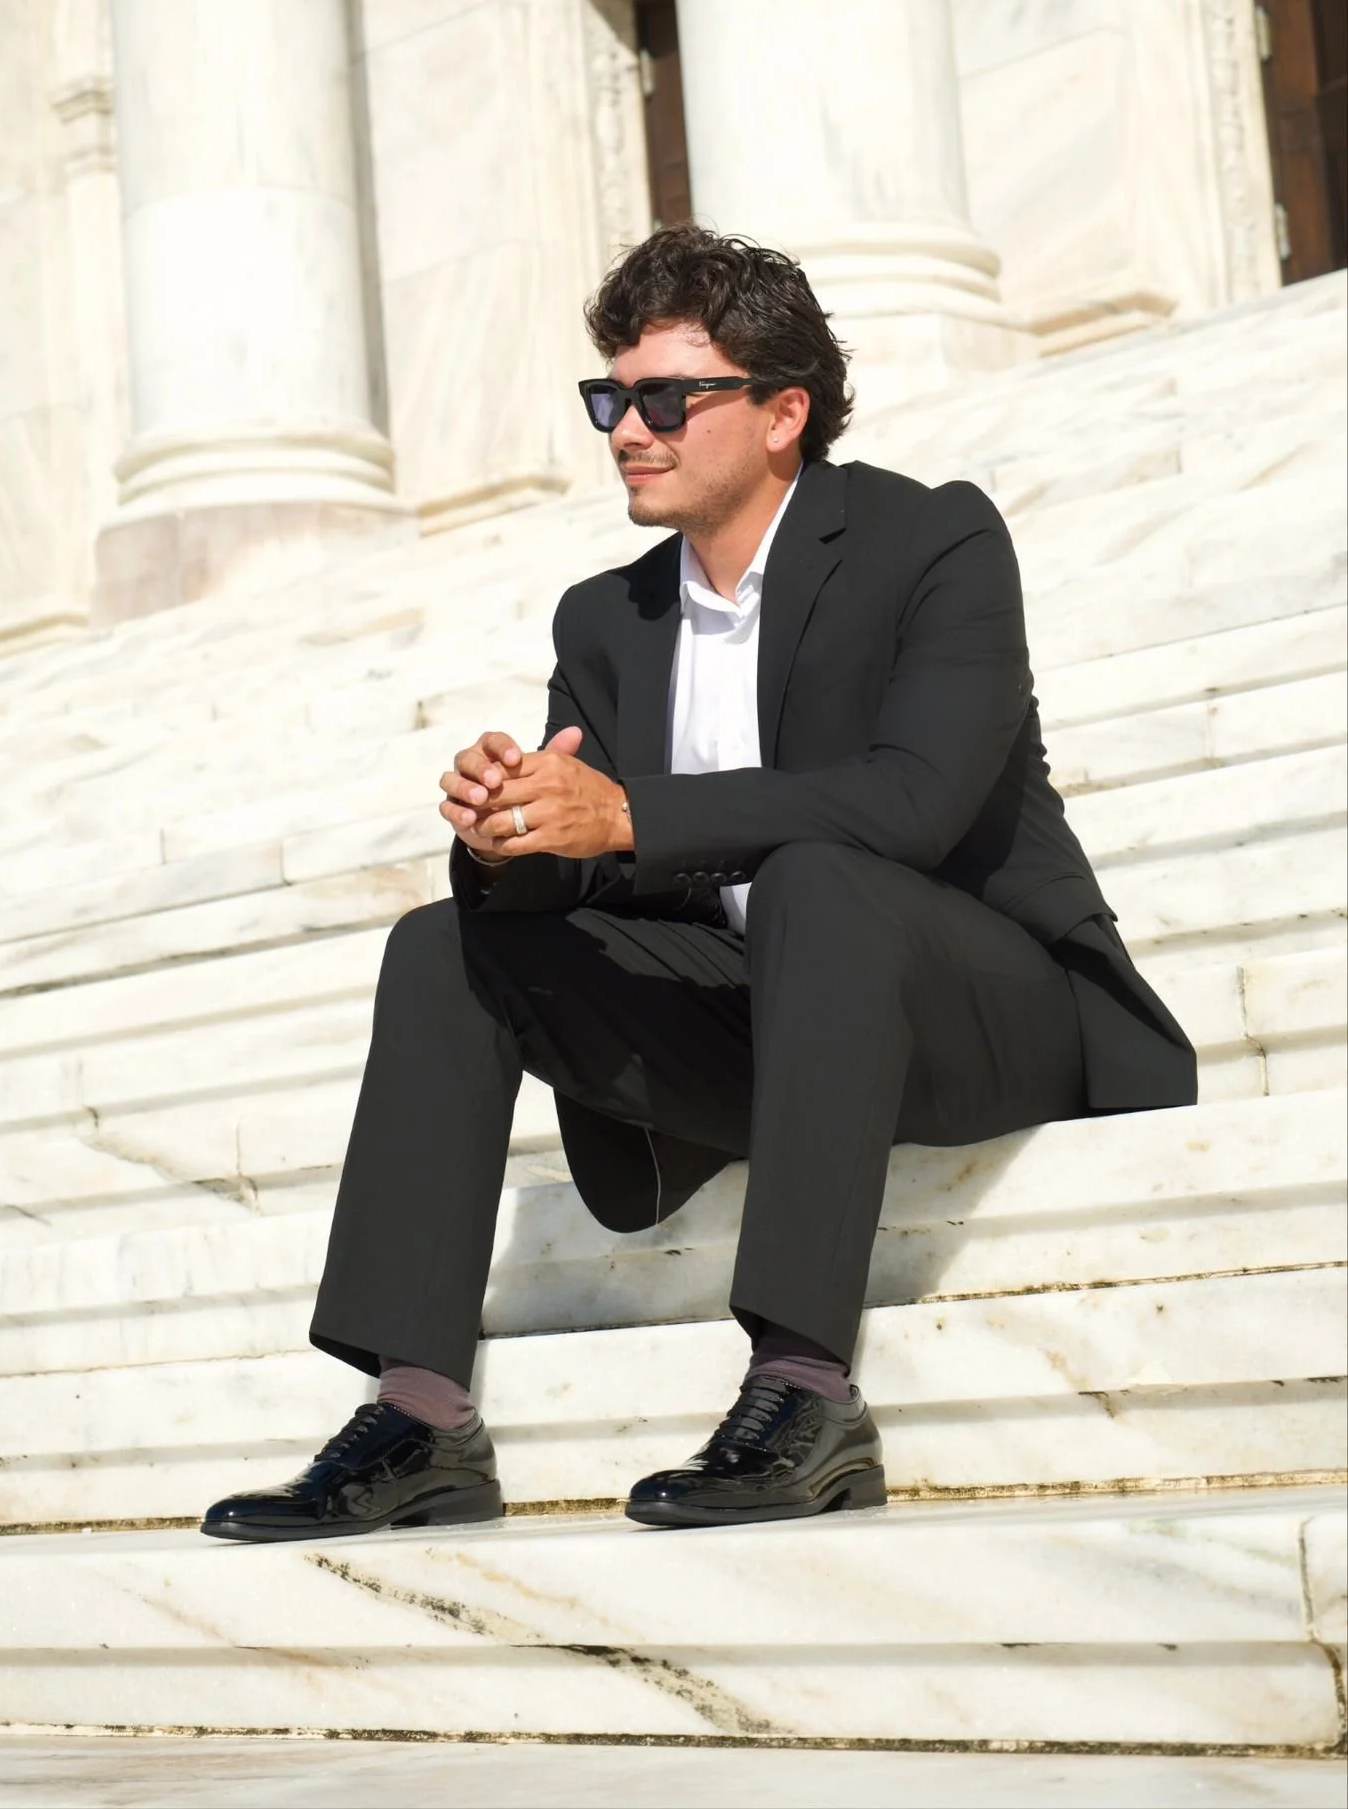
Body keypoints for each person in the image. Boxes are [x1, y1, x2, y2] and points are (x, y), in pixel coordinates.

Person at [201, 226, 1196, 1543]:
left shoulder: (930, 541)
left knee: (820, 883)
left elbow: (914, 801)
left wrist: (633, 813)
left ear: (783, 413)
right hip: (764, 1025)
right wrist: (519, 841)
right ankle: (420, 1417)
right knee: (446, 944)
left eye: (666, 398)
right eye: (609, 398)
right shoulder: (607, 621)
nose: (626, 428)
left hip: (977, 1010)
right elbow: (616, 873)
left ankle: (802, 1388)